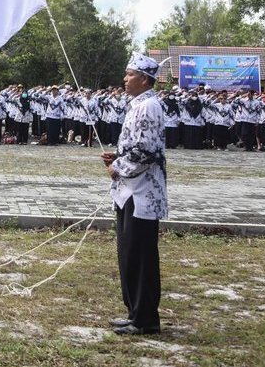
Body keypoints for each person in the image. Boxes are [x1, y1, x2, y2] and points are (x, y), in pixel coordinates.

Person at [101, 53, 167, 336]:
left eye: (129, 74)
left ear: (143, 79)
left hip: (141, 193)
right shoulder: (138, 105)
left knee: (140, 255)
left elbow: (147, 152)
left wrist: (117, 167)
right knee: (128, 252)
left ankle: (145, 319)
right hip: (130, 192)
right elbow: (137, 146)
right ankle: (134, 312)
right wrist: (118, 156)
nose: (124, 79)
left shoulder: (149, 106)